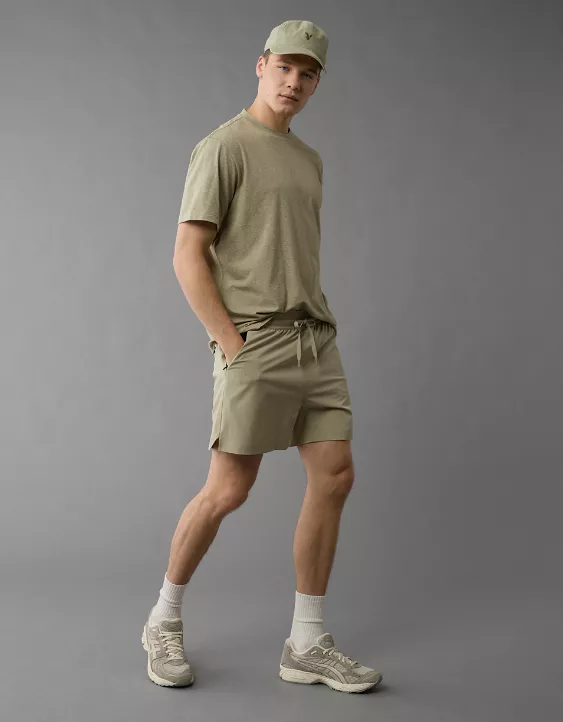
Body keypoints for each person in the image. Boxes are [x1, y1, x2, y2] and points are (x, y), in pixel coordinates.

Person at [141, 19, 383, 694]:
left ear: (316, 83)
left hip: (315, 339)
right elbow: (187, 255)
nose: (293, 82)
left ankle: (306, 642)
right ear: (261, 65)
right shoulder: (223, 147)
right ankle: (162, 619)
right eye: (284, 68)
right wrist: (230, 342)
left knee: (335, 476)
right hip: (255, 340)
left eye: (308, 74)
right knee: (229, 489)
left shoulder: (309, 159)